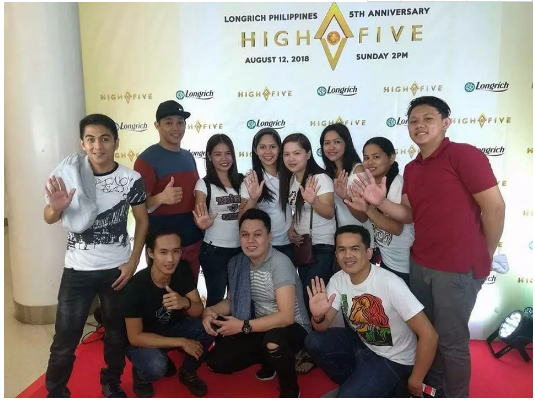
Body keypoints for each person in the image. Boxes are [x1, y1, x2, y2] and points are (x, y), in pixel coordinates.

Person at [351, 96, 505, 397]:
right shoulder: (412, 168)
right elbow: (408, 214)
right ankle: (432, 389)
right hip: (421, 263)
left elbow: (495, 208)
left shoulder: (464, 155)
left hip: (457, 267)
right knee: (428, 334)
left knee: (451, 341)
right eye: (413, 120)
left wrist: (485, 254)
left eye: (428, 118)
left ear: (446, 122)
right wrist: (379, 202)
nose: (419, 125)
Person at [43, 114, 149, 397]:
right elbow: (49, 217)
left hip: (117, 270)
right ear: (82, 143)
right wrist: (55, 208)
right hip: (77, 271)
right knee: (65, 339)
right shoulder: (68, 175)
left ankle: (111, 381)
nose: (97, 146)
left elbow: (142, 221)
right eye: (90, 139)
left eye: (104, 139)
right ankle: (55, 392)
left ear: (116, 142)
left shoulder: (131, 179)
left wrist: (133, 262)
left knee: (116, 334)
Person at [305, 225, 438, 398]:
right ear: (336, 254)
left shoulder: (390, 283)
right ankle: (352, 384)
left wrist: (416, 380)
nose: (347, 255)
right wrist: (318, 316)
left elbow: (429, 335)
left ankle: (372, 389)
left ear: (368, 253)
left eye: (355, 249)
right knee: (314, 341)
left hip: (395, 359)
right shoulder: (338, 280)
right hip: (364, 344)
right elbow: (321, 327)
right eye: (342, 249)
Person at [202, 209, 311, 398]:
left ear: (269, 237)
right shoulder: (237, 263)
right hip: (259, 325)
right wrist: (210, 310)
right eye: (245, 235)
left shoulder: (280, 263)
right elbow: (232, 301)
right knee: (217, 361)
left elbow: (286, 317)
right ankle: (269, 360)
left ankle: (290, 388)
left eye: (257, 235)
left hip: (293, 327)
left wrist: (243, 326)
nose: (250, 240)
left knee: (273, 341)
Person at [122, 228, 213, 398]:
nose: (170, 259)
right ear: (151, 253)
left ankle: (187, 371)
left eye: (176, 251)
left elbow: (198, 311)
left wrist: (184, 302)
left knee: (210, 326)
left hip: (171, 327)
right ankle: (141, 377)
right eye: (163, 252)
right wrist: (182, 342)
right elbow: (135, 337)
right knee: (156, 365)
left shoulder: (182, 270)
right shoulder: (135, 288)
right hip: (144, 339)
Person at [134, 100, 204, 281]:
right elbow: (139, 208)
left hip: (192, 242)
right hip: (163, 249)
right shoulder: (146, 160)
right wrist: (160, 198)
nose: (176, 127)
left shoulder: (188, 156)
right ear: (157, 125)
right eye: (169, 122)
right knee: (162, 294)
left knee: (190, 294)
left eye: (180, 122)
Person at [345, 137, 414, 286]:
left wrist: (368, 209)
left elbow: (396, 229)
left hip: (403, 264)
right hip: (385, 259)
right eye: (366, 158)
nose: (370, 162)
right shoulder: (370, 184)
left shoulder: (397, 184)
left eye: (376, 157)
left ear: (391, 158)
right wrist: (346, 197)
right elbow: (363, 218)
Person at [279, 133, 336, 311]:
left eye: (297, 153)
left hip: (321, 247)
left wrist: (314, 201)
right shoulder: (292, 178)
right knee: (305, 297)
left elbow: (329, 212)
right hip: (303, 247)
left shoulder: (320, 178)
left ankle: (316, 329)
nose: (291, 159)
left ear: (309, 154)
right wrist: (291, 229)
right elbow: (297, 211)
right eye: (287, 154)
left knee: (312, 297)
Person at [193, 134, 243, 306]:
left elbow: (250, 211)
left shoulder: (242, 181)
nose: (224, 158)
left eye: (228, 153)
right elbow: (199, 211)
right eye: (217, 154)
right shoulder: (203, 184)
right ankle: (211, 325)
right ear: (209, 156)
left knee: (238, 299)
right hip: (214, 251)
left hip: (241, 249)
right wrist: (202, 223)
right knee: (216, 298)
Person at [238, 128, 293, 260]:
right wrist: (253, 199)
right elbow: (241, 217)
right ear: (255, 150)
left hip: (289, 243)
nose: (268, 152)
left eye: (272, 147)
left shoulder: (290, 175)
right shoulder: (251, 180)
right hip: (264, 246)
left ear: (279, 148)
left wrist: (293, 226)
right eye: (262, 147)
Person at [319, 123, 375, 250]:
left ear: (346, 143)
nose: (331, 147)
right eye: (327, 143)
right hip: (341, 238)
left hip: (360, 239)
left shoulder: (358, 171)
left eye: (337, 142)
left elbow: (363, 216)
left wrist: (346, 197)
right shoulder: (328, 172)